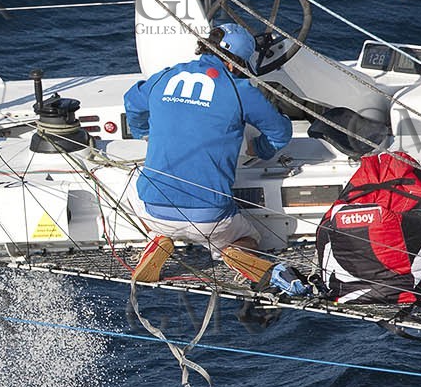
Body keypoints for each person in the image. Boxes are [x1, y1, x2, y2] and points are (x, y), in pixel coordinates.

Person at [123, 23, 293, 284]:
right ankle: (236, 250)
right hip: (211, 219)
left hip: (154, 211)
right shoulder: (241, 90)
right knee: (249, 237)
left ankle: (159, 239)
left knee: (134, 192)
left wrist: (142, 132)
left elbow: (132, 102)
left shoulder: (164, 77)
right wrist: (258, 149)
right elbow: (281, 133)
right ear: (235, 65)